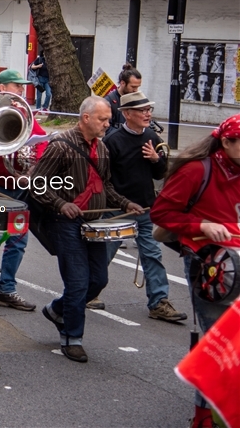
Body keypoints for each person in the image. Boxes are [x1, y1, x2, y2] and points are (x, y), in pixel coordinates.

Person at [29, 97, 144, 362]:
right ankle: (72, 338)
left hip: (95, 222)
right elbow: (38, 184)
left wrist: (126, 203)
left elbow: (105, 186)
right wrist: (61, 204)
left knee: (98, 280)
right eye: (103, 119)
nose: (108, 124)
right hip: (65, 222)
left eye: (108, 119)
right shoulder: (60, 146)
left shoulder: (102, 148)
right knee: (78, 281)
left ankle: (57, 309)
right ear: (86, 118)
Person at [151, 113, 240, 428]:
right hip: (209, 262)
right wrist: (201, 224)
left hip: (237, 257)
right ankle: (204, 414)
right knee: (216, 339)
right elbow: (160, 212)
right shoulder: (196, 170)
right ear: (227, 142)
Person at [103, 91, 184, 322]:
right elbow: (104, 179)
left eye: (149, 109)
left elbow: (161, 174)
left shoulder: (152, 137)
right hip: (118, 210)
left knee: (153, 255)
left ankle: (159, 302)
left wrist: (155, 160)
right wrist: (122, 202)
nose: (148, 114)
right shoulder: (112, 141)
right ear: (127, 114)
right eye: (142, 110)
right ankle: (88, 291)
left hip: (146, 209)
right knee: (104, 254)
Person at [0, 69, 47, 313]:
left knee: (17, 240)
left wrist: (32, 170)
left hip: (19, 188)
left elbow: (41, 138)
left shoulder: (24, 110)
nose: (22, 90)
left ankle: (6, 289)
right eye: (17, 85)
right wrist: (14, 176)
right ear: (3, 88)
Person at [106, 63, 142, 129]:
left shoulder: (137, 100)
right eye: (133, 87)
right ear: (122, 83)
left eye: (137, 87)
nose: (136, 90)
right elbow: (106, 128)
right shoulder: (109, 101)